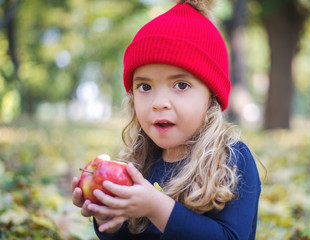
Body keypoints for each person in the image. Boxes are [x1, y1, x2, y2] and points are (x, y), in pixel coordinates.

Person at [71, 0, 262, 239]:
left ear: (212, 99)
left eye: (181, 85)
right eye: (144, 86)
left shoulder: (232, 160)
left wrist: (157, 208)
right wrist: (108, 217)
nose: (158, 102)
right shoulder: (142, 163)